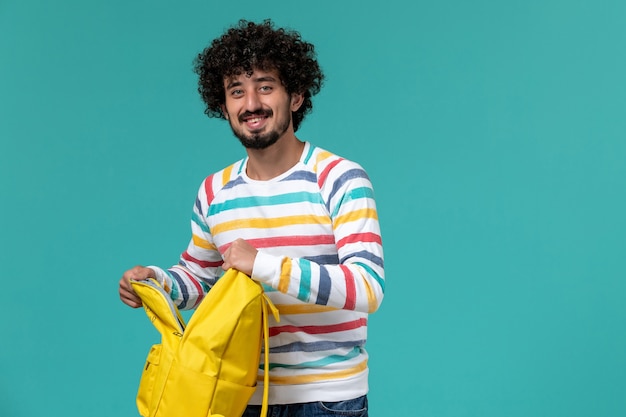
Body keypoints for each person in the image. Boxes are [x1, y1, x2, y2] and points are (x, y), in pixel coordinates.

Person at [119, 19, 385, 417]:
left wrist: (261, 264)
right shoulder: (214, 191)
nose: (251, 104)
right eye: (236, 91)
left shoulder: (339, 178)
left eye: (265, 86)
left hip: (328, 399)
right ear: (222, 105)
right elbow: (201, 280)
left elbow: (367, 288)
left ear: (295, 96)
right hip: (235, 396)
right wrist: (156, 281)